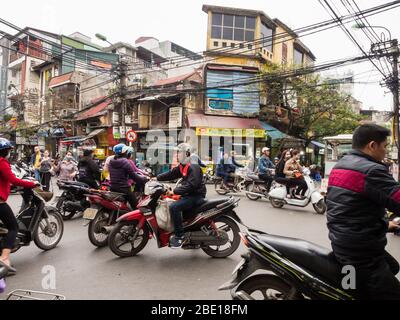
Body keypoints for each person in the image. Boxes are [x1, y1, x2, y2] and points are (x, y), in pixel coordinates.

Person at [327, 124, 400, 300]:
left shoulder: (341, 165)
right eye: (384, 146)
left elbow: (350, 206)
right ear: (372, 145)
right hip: (361, 252)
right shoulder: (371, 170)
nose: (385, 151)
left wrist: (385, 224)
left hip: (342, 242)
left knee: (392, 267)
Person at [157, 143, 206, 249]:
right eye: (177, 153)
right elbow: (171, 174)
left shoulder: (193, 166)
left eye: (179, 153)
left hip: (196, 196)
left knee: (174, 207)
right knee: (172, 202)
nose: (177, 155)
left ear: (186, 154)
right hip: (189, 194)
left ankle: (180, 236)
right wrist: (156, 178)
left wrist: (175, 191)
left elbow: (192, 185)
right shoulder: (182, 166)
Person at [0, 138, 37, 273]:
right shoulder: (2, 163)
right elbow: (13, 179)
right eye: (9, 151)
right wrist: (32, 184)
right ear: (5, 151)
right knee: (13, 227)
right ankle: (4, 258)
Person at [108, 144, 148, 210]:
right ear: (125, 152)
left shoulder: (111, 161)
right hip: (124, 188)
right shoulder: (125, 161)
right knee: (136, 206)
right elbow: (133, 175)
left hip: (112, 187)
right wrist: (144, 179)